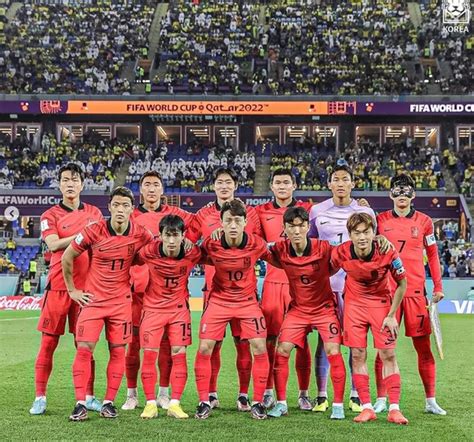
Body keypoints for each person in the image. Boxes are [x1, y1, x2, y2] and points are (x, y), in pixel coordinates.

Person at [62, 186, 153, 421]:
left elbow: (154, 253)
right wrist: (72, 290)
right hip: (93, 300)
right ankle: (80, 403)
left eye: (125, 205)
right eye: (116, 205)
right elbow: (67, 256)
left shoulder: (142, 233)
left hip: (121, 302)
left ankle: (109, 402)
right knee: (84, 349)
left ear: (132, 209)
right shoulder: (94, 230)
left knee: (118, 351)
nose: (120, 209)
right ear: (110, 207)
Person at [30, 163, 103, 416]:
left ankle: (89, 397)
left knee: (85, 346)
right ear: (59, 185)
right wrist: (84, 235)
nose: (70, 184)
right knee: (48, 343)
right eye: (65, 180)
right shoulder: (49, 215)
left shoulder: (94, 212)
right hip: (59, 288)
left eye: (74, 179)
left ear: (82, 184)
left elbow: (100, 246)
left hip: (86, 291)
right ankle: (40, 397)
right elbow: (52, 244)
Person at [187, 168, 261, 411]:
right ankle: (210, 394)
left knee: (244, 344)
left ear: (235, 185)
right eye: (219, 182)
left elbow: (257, 244)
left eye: (228, 182)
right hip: (214, 290)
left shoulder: (250, 213)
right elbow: (190, 244)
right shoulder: (202, 214)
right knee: (213, 345)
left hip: (244, 291)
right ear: (214, 186)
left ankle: (243, 395)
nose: (224, 186)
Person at [122, 171, 194, 412]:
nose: (152, 189)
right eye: (147, 185)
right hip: (135, 292)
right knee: (133, 345)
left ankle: (164, 393)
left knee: (166, 346)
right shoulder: (129, 216)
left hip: (168, 296)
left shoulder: (176, 216)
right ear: (140, 189)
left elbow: (202, 225)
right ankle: (131, 394)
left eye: (156, 185)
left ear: (163, 190)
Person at [265, 207, 347, 420]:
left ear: (308, 227)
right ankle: (281, 403)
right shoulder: (280, 249)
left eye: (301, 225)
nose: (297, 230)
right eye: (291, 226)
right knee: (282, 350)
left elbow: (348, 250)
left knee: (333, 350)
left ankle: (337, 405)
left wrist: (380, 240)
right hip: (299, 310)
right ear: (285, 229)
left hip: (324, 309)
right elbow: (253, 247)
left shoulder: (324, 247)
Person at [375, 174, 446, 415]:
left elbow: (433, 255)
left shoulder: (425, 221)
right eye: (397, 191)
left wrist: (438, 286)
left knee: (423, 348)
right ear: (390, 194)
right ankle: (382, 399)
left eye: (406, 191)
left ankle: (430, 401)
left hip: (416, 293)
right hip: (388, 293)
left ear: (413, 195)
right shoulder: (379, 220)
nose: (402, 195)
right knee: (383, 349)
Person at [309, 163, 376, 413]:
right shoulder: (316, 211)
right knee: (324, 341)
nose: (340, 183)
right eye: (335, 179)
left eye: (345, 179)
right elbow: (312, 245)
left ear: (352, 184)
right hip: (325, 286)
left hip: (355, 288)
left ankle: (356, 394)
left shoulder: (365, 212)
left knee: (355, 342)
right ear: (328, 184)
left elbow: (373, 247)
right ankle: (322, 395)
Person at [331, 212, 409, 425]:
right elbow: (325, 270)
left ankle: (394, 408)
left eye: (366, 232)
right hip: (354, 306)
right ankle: (366, 407)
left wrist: (392, 315)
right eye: (357, 233)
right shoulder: (341, 252)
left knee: (388, 354)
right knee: (357, 354)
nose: (362, 237)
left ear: (374, 233)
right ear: (350, 235)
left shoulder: (387, 251)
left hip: (381, 305)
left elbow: (402, 284)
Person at [136, 215, 206, 420]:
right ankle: (150, 403)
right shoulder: (149, 251)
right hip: (152, 309)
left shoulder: (193, 252)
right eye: (168, 235)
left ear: (184, 236)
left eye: (176, 235)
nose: (172, 240)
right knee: (149, 354)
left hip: (178, 309)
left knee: (179, 353)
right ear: (161, 236)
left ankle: (174, 403)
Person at [255, 168, 313, 410]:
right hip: (272, 284)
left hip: (299, 285)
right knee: (270, 339)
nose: (281, 186)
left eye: (286, 182)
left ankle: (303, 393)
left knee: (301, 342)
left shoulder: (309, 210)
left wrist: (362, 205)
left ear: (294, 185)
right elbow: (257, 244)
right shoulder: (261, 212)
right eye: (277, 182)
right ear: (271, 186)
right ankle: (268, 391)